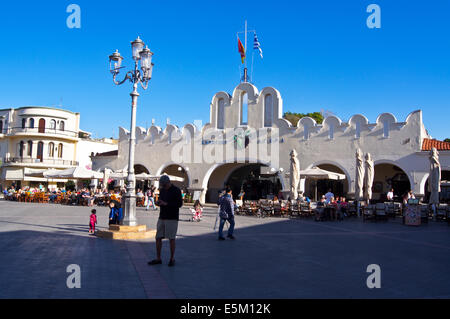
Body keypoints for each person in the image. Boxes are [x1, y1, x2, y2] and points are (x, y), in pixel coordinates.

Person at [148, 175, 183, 267]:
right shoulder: (162, 190)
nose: (163, 186)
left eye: (164, 184)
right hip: (162, 216)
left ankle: (172, 258)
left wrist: (166, 204)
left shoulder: (176, 190)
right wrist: (159, 202)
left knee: (171, 238)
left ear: (168, 182)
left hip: (172, 218)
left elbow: (179, 204)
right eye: (162, 185)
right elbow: (161, 200)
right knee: (158, 237)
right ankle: (158, 258)